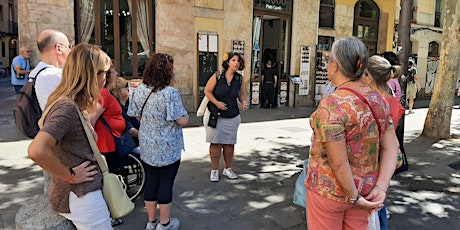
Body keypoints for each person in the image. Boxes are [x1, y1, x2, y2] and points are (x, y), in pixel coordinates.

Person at [305, 37, 399, 230]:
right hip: (366, 189)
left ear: (334, 66)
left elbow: (338, 162)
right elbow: (392, 147)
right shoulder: (378, 99)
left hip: (328, 191)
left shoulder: (332, 103)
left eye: (329, 60)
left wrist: (353, 196)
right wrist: (381, 187)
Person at [28, 44, 112, 229]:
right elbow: (37, 150)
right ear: (92, 74)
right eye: (105, 71)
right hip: (82, 197)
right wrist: (70, 176)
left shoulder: (66, 101)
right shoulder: (67, 107)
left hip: (79, 195)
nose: (106, 77)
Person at [128, 53, 188, 230]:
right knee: (166, 183)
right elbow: (182, 120)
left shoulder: (139, 90)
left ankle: (151, 221)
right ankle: (165, 223)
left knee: (152, 182)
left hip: (147, 144)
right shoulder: (170, 93)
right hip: (168, 146)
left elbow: (137, 116)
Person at [364, 55, 405, 230]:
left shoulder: (370, 102)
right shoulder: (393, 100)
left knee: (369, 204)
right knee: (381, 198)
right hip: (387, 159)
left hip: (370, 158)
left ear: (369, 76)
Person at [32, 29, 72, 195]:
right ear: (59, 48)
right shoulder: (54, 76)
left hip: (52, 137)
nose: (70, 50)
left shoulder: (38, 73)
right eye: (69, 46)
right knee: (60, 190)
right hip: (61, 143)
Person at [88, 61, 126, 227]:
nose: (117, 74)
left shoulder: (105, 92)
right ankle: (111, 213)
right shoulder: (102, 94)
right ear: (105, 76)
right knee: (110, 179)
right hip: (106, 143)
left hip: (110, 141)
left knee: (112, 177)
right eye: (113, 72)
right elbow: (90, 120)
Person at [203, 52, 248, 182]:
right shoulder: (218, 75)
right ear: (227, 62)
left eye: (238, 61)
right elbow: (207, 91)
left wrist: (243, 102)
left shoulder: (239, 79)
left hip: (232, 115)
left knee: (229, 144)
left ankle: (228, 168)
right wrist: (217, 103)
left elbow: (241, 94)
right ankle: (215, 170)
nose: (236, 63)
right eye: (233, 60)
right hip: (215, 115)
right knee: (216, 143)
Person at [111, 77, 140, 145]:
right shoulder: (118, 109)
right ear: (118, 91)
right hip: (131, 144)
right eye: (125, 87)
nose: (128, 89)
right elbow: (131, 131)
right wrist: (147, 138)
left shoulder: (126, 106)